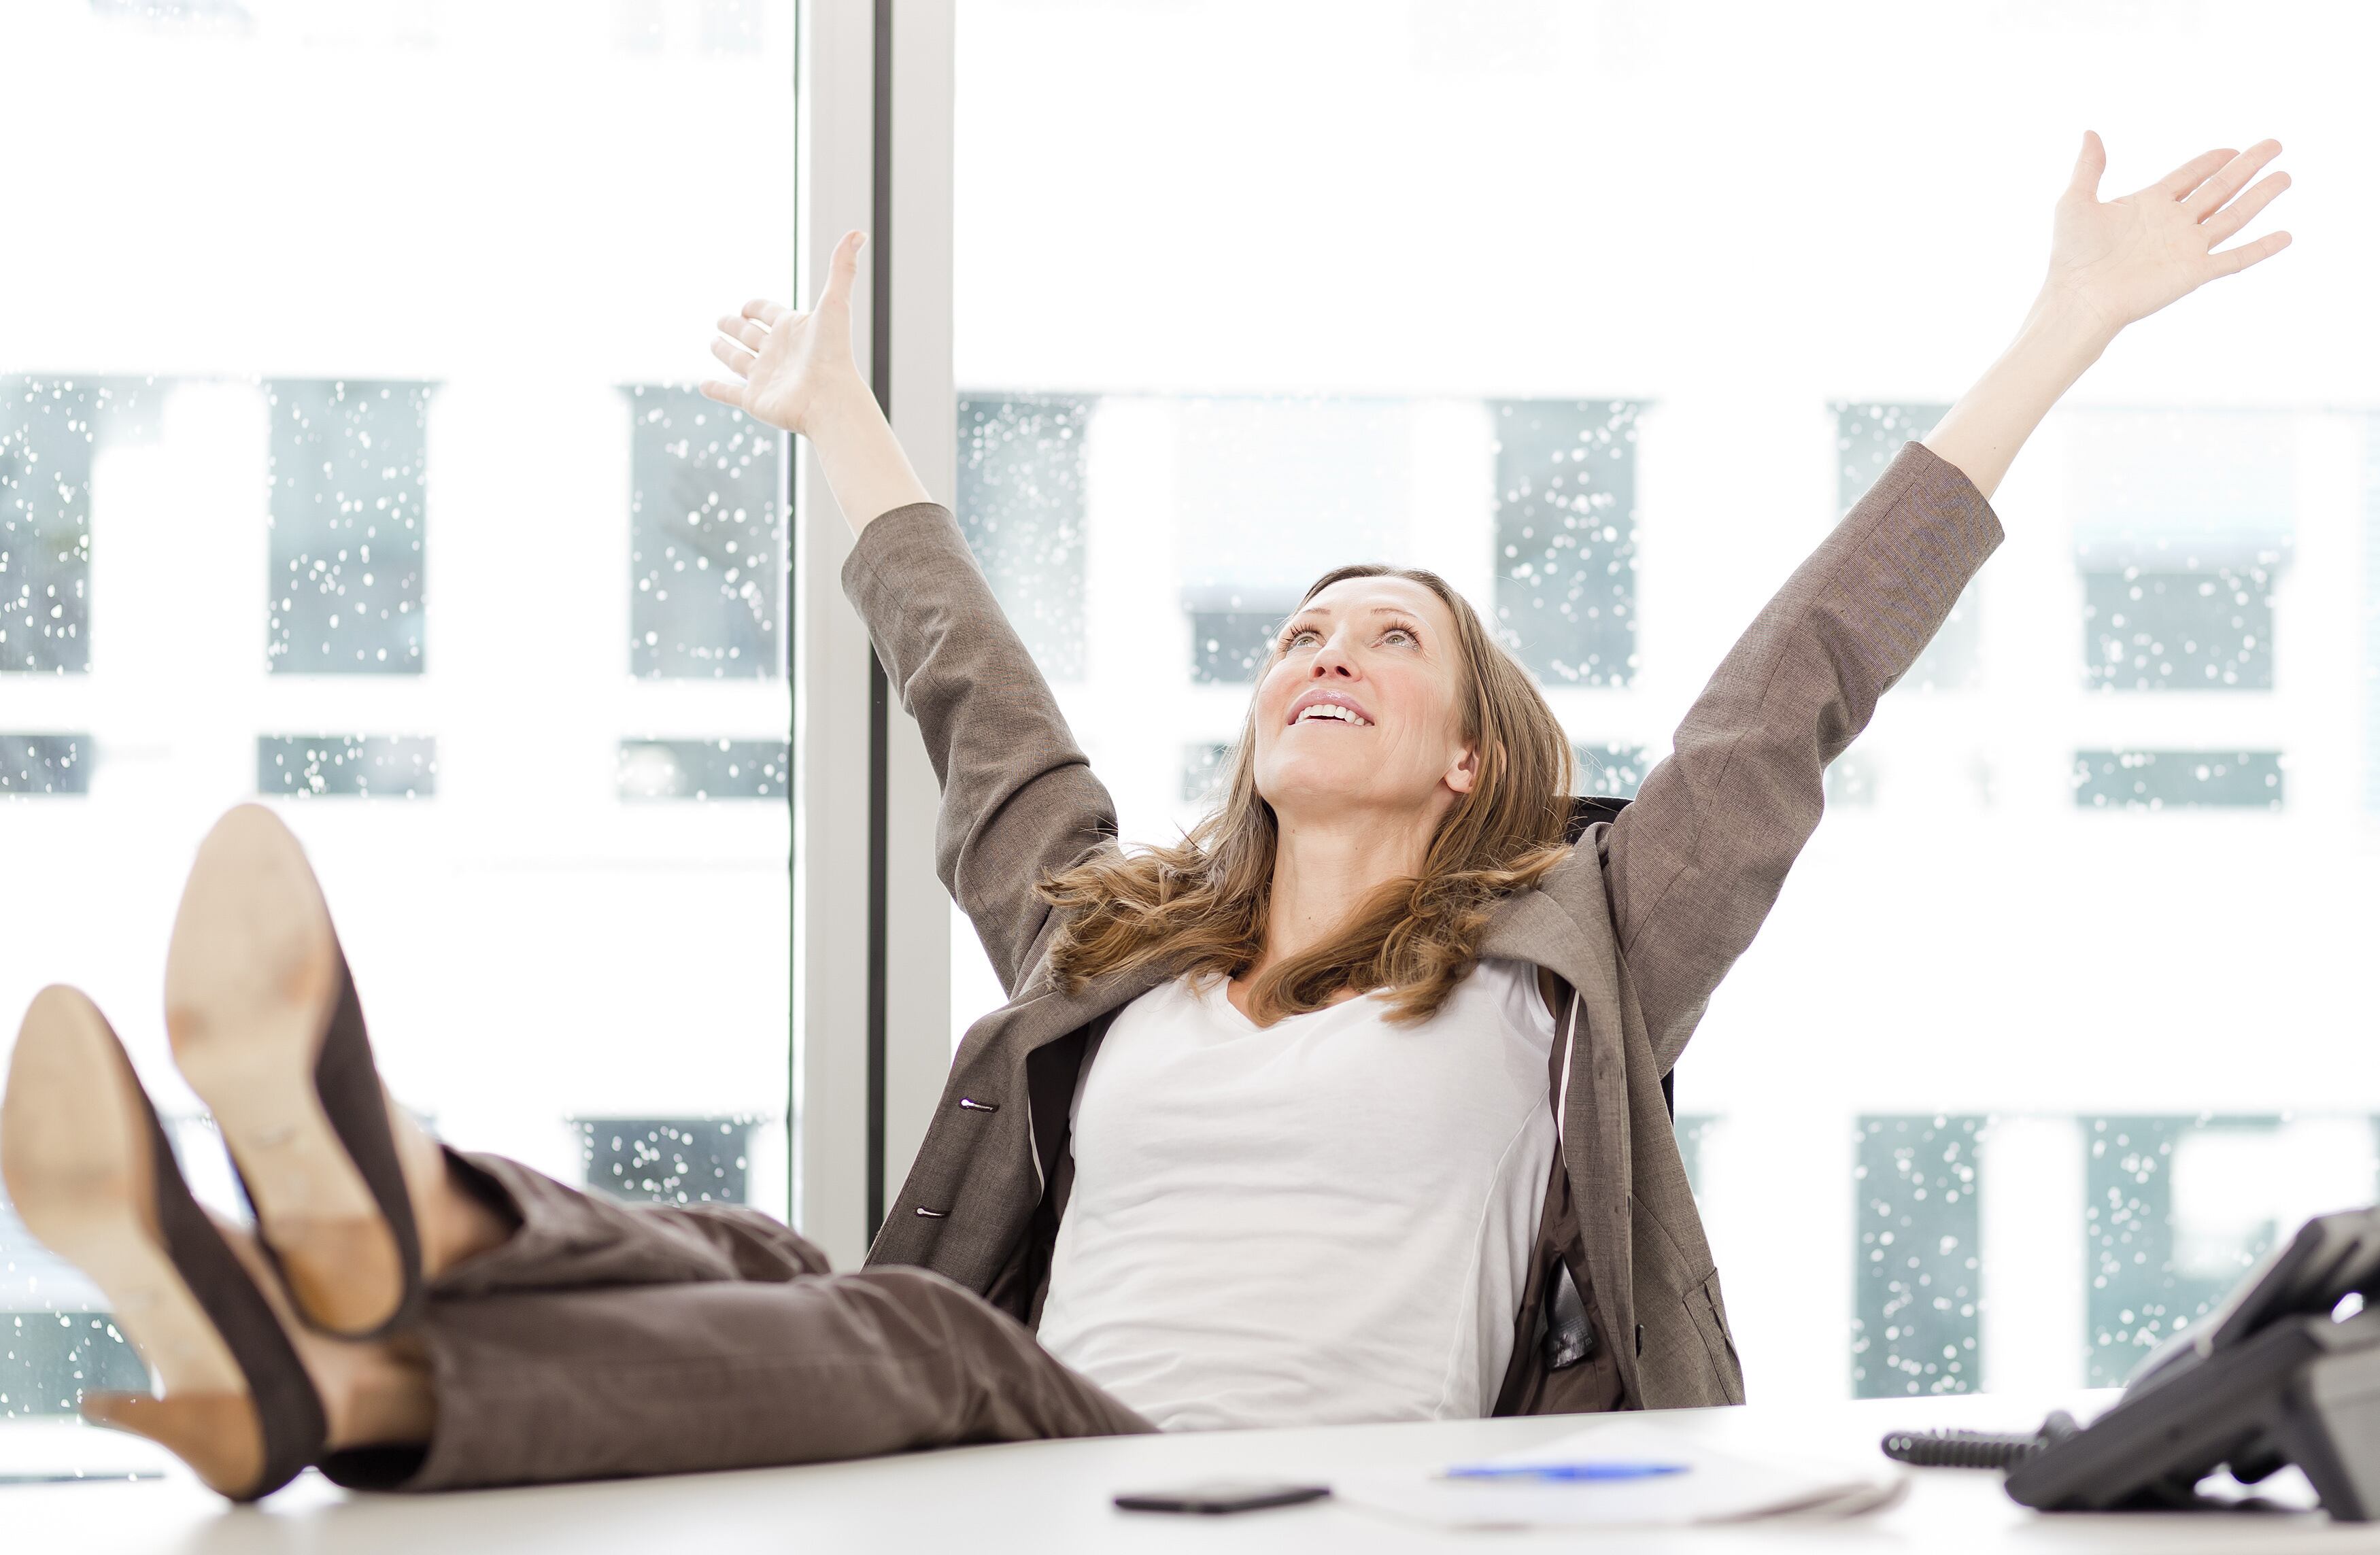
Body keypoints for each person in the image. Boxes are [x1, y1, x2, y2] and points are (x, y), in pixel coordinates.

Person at [0, 133, 2292, 1501]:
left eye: (1384, 640)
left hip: (1262, 1486)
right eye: (1297, 632)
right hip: (1036, 1454)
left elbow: (1797, 684)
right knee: (782, 1267)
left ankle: (367, 1234)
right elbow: (975, 706)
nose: (1320, 653)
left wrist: (2060, 328)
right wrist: (843, 426)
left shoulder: (1588, 948)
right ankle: (344, 1320)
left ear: (1471, 755)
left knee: (907, 1329)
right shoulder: (1113, 948)